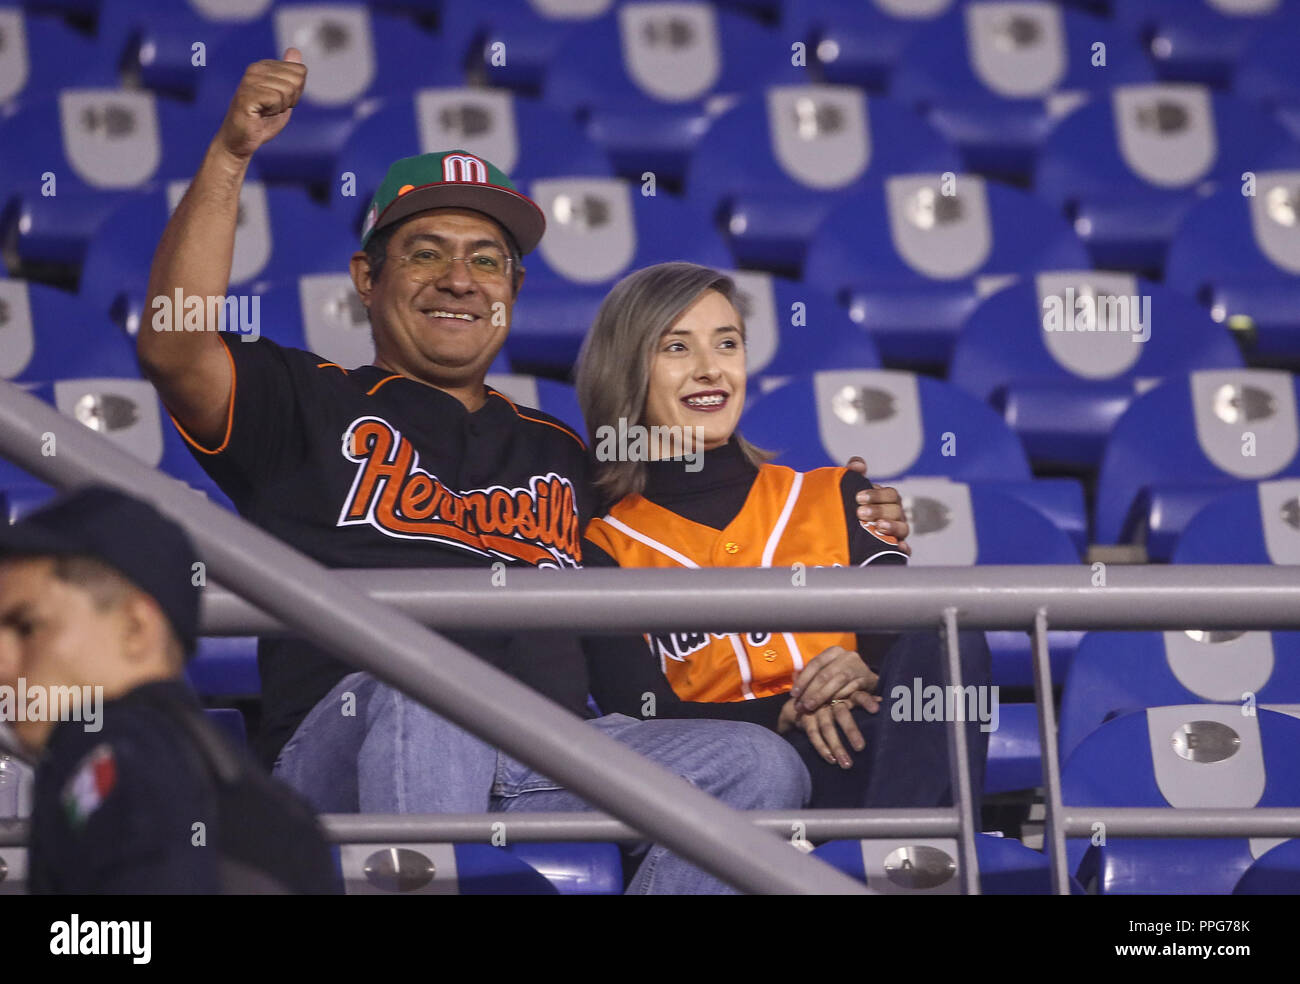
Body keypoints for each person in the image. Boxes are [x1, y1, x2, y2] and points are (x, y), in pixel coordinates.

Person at [135, 50, 910, 894]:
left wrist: (850, 505)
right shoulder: (305, 403)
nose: (459, 280)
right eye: (425, 253)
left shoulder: (561, 450)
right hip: (356, 744)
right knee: (429, 685)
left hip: (548, 750)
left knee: (757, 766)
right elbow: (175, 346)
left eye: (487, 258)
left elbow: (704, 484)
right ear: (367, 277)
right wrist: (230, 157)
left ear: (516, 285)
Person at [577, 262, 990, 809]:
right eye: (676, 348)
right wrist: (785, 710)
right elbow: (639, 712)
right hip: (723, 792)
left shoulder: (840, 494)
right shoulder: (602, 547)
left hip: (869, 757)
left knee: (952, 640)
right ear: (626, 370)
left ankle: (900, 860)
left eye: (727, 344)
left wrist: (863, 662)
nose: (710, 369)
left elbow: (902, 636)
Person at [0, 486, 336, 893]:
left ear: (136, 629)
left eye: (26, 627)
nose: (4, 661)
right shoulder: (260, 798)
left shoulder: (112, 748)